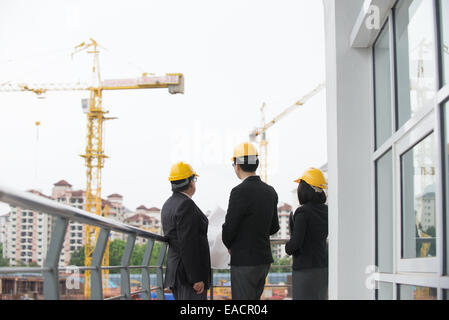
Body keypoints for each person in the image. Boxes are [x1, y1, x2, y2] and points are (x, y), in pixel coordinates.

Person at [222, 142, 280, 300]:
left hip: (244, 261)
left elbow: (229, 230)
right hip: (263, 260)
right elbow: (274, 227)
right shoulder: (271, 191)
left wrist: (230, 244)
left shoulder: (238, 192)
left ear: (237, 166)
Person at [161, 161, 211, 300]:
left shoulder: (168, 204)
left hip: (178, 272)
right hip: (188, 277)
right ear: (191, 183)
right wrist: (196, 278)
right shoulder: (186, 204)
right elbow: (188, 243)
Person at [285, 167, 328, 300]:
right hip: (323, 266)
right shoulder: (327, 210)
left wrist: (287, 247)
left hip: (305, 269)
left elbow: (296, 243)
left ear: (305, 190)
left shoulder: (302, 212)